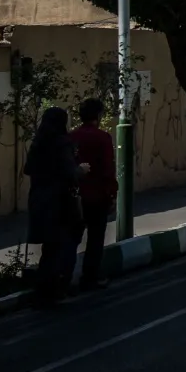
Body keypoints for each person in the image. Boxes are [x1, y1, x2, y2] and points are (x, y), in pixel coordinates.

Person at [23, 107, 85, 304]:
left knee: (49, 247)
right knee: (61, 244)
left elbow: (28, 169)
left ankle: (44, 288)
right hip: (60, 201)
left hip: (39, 200)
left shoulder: (38, 143)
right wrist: (81, 170)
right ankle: (55, 286)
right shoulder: (62, 143)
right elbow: (69, 173)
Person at [69, 99, 117, 291]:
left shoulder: (72, 137)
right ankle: (90, 276)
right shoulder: (102, 138)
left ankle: (65, 276)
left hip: (75, 197)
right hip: (97, 196)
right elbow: (107, 169)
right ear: (98, 115)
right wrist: (112, 194)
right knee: (95, 239)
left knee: (72, 238)